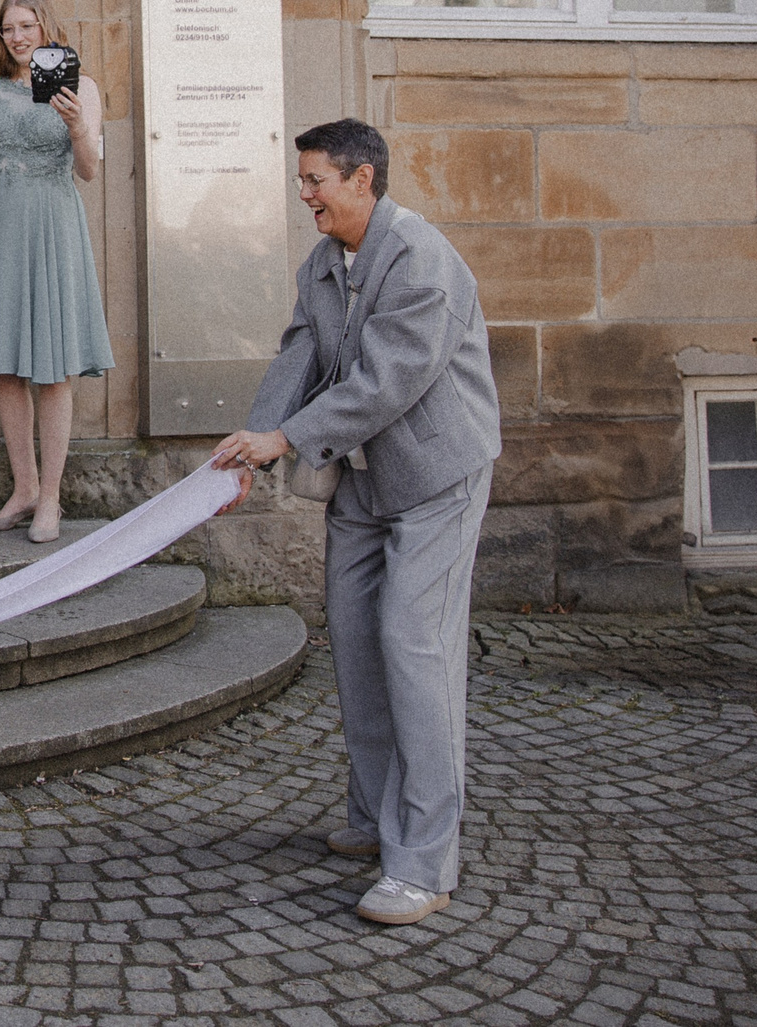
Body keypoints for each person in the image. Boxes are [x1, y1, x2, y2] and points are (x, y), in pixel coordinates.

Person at [209, 119, 500, 929]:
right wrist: (254, 447)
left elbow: (383, 383)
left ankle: (424, 862)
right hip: (365, 481)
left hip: (436, 476)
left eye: (316, 181)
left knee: (416, 644)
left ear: (363, 179)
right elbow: (300, 352)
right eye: (303, 181)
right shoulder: (326, 260)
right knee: (358, 637)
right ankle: (377, 817)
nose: (304, 195)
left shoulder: (421, 262)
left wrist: (288, 437)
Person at [0, 0, 115, 541]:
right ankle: (21, 490)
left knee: (52, 366)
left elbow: (89, 170)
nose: (17, 38)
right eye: (8, 29)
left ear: (46, 28)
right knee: (7, 364)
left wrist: (75, 125)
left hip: (51, 224)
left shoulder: (81, 86)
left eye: (26, 27)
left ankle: (50, 500)